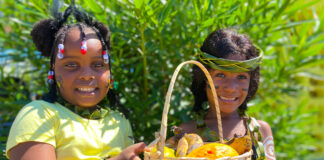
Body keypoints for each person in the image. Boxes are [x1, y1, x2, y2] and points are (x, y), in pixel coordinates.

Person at [6, 2, 145, 160]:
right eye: (71, 65)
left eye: (98, 64)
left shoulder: (119, 121)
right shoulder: (39, 115)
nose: (87, 75)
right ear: (53, 69)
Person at [179, 29, 276, 160]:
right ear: (204, 78)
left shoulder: (258, 131)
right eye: (220, 75)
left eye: (241, 77)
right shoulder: (186, 133)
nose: (231, 88)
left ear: (251, 82)